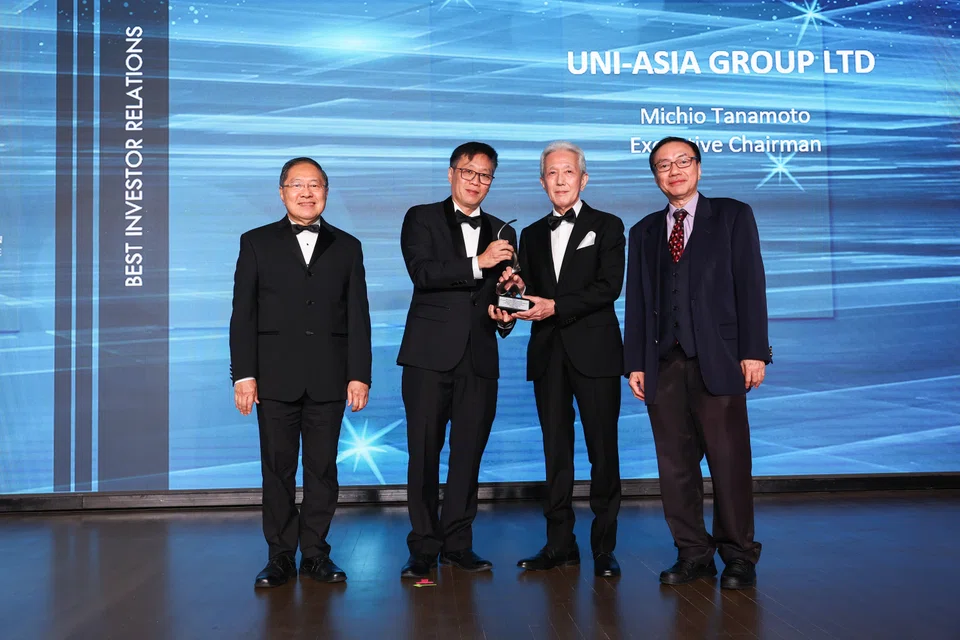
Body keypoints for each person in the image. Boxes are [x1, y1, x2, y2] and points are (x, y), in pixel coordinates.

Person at [623, 136, 771, 589]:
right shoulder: (644, 230)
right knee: (676, 467)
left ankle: (739, 555)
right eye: (663, 165)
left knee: (729, 463)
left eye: (682, 162)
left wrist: (754, 351)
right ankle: (693, 553)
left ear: (699, 168)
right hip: (663, 364)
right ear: (655, 176)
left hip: (721, 360)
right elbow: (637, 301)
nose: (674, 171)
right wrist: (635, 363)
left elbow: (751, 284)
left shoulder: (731, 215)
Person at [230, 157, 372, 587]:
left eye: (315, 185)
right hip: (272, 378)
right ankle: (279, 556)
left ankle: (314, 552)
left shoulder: (348, 246)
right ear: (282, 192)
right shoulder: (255, 242)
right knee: (276, 469)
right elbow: (243, 314)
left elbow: (358, 317)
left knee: (322, 469)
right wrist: (244, 374)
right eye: (297, 185)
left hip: (330, 377)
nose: (306, 192)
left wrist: (359, 374)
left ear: (326, 192)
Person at [492, 141, 625, 578]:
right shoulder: (528, 234)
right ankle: (559, 544)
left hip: (596, 354)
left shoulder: (608, 225)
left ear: (583, 179)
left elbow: (609, 288)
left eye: (569, 172)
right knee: (556, 453)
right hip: (548, 354)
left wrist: (555, 306)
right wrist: (509, 293)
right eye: (552, 173)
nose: (561, 179)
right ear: (543, 181)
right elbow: (525, 293)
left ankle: (604, 549)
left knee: (603, 452)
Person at [396, 141, 517, 579]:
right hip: (428, 357)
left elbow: (502, 296)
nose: (476, 182)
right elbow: (423, 274)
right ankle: (424, 546)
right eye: (469, 172)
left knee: (469, 455)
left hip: (480, 357)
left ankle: (459, 543)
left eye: (485, 175)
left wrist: (507, 312)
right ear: (451, 174)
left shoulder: (505, 230)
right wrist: (478, 261)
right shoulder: (420, 217)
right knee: (424, 454)